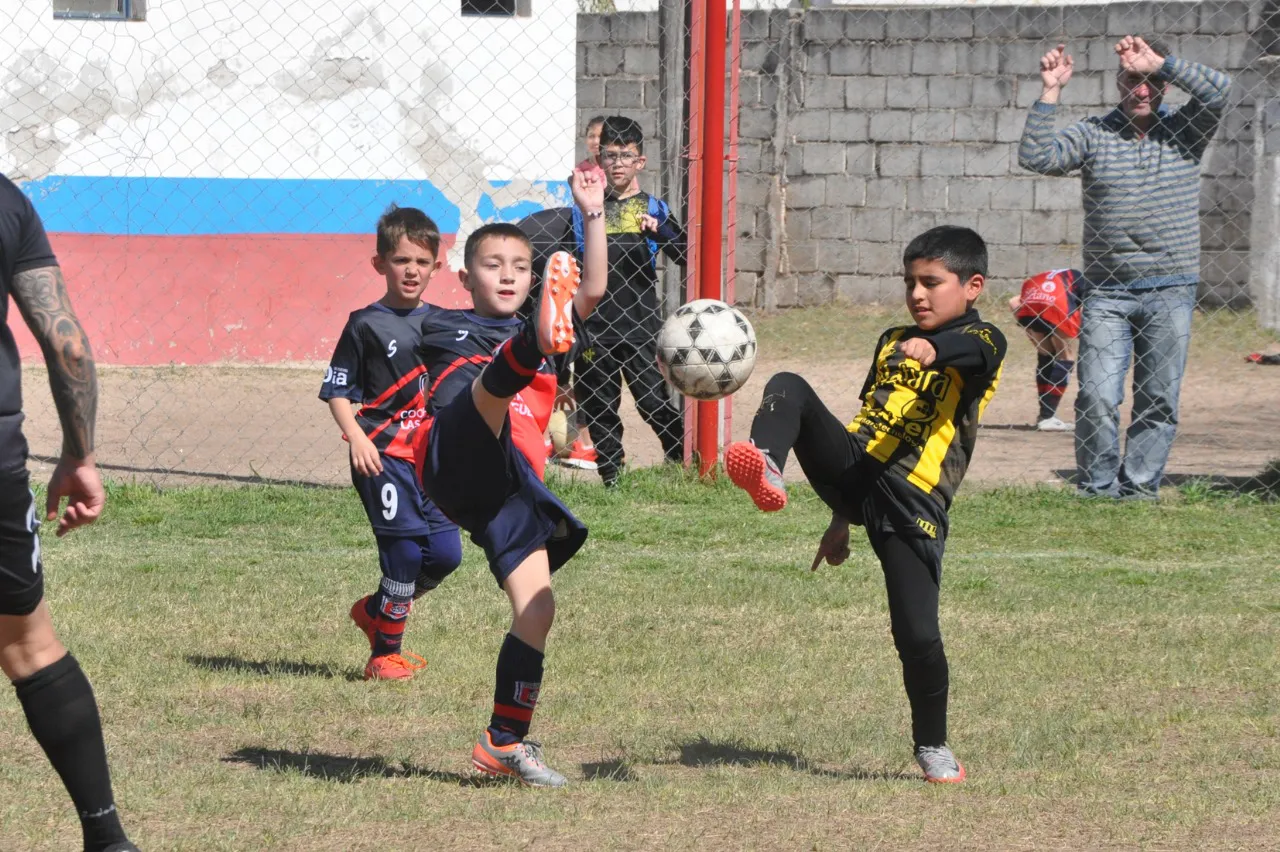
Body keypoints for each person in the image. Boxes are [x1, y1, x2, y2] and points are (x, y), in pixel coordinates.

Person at [723, 226, 1007, 784]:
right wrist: (840, 519)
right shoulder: (892, 339)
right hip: (856, 471)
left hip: (912, 500)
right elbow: (868, 419)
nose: (917, 295)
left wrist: (935, 348)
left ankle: (932, 745)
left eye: (931, 283)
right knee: (789, 384)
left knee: (918, 635)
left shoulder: (986, 341)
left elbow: (971, 350)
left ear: (973, 285)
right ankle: (768, 465)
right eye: (910, 283)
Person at [413, 163, 605, 786]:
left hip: (509, 487)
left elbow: (595, 289)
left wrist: (592, 211)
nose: (508, 275)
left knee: (538, 609)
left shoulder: (562, 329)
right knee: (484, 400)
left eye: (521, 268)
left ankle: (504, 742)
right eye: (494, 265)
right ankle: (521, 353)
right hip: (452, 452)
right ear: (465, 276)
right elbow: (378, 331)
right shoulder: (436, 324)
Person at [1018, 36, 1231, 498]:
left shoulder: (1187, 130)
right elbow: (1037, 157)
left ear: (1166, 85)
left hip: (1172, 287)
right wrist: (1051, 90)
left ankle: (1139, 487)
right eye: (1134, 79)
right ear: (1119, 80)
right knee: (1096, 396)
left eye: (1152, 81)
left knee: (1157, 398)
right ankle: (1096, 487)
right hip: (1107, 291)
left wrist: (1161, 63)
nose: (1142, 90)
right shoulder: (1095, 133)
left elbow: (1220, 90)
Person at [0, 175, 139, 850]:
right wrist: (78, 455)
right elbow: (68, 345)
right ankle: (107, 837)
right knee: (30, 647)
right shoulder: (6, 200)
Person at [319, 205, 463, 681]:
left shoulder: (447, 326)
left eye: (422, 262)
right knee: (402, 554)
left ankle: (377, 609)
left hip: (434, 459)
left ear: (437, 267)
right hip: (382, 457)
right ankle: (384, 654)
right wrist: (356, 436)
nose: (412, 271)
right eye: (401, 261)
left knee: (446, 556)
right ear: (380, 263)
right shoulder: (366, 324)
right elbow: (338, 389)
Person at [574, 116, 686, 487]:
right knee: (601, 406)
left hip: (641, 326)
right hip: (593, 329)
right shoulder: (585, 207)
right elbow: (569, 258)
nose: (618, 163)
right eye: (610, 155)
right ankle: (612, 479)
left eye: (626, 155)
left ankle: (679, 458)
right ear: (599, 158)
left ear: (641, 161)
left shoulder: (653, 207)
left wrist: (663, 231)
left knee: (653, 402)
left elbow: (686, 254)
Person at [1008, 268, 1082, 432]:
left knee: (1045, 354)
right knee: (1066, 357)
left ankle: (1045, 417)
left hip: (1029, 305)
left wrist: (1031, 331)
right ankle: (1048, 417)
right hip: (1056, 303)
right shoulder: (1083, 280)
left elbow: (1013, 302)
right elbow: (1084, 310)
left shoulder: (1049, 276)